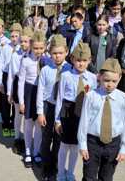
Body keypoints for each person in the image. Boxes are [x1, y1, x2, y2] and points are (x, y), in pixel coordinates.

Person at [78, 58, 125, 181]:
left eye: (114, 81)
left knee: (107, 177)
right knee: (89, 176)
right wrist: (83, 144)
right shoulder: (91, 96)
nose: (110, 84)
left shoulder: (124, 99)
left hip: (113, 144)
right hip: (93, 142)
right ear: (100, 77)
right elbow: (84, 121)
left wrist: (124, 148)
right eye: (106, 80)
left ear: (119, 78)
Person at [55, 41, 97, 181]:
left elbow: (93, 100)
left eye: (84, 60)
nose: (81, 64)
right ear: (72, 59)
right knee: (64, 145)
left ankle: (70, 173)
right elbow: (60, 99)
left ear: (89, 60)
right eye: (78, 60)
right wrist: (57, 120)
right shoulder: (66, 75)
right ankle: (60, 173)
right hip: (67, 112)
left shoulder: (92, 78)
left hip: (83, 114)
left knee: (75, 146)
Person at [37, 34, 71, 180]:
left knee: (59, 140)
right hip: (48, 106)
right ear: (49, 53)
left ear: (66, 52)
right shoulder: (45, 69)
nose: (57, 56)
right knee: (46, 138)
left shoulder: (70, 69)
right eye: (54, 53)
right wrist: (40, 112)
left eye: (60, 53)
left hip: (62, 110)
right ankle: (46, 167)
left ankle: (56, 166)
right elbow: (40, 92)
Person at [18, 31, 47, 168]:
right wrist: (22, 102)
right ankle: (28, 151)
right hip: (29, 93)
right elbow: (20, 82)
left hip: (41, 95)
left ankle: (37, 152)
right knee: (28, 124)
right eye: (36, 48)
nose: (38, 51)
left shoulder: (47, 61)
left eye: (41, 48)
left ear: (45, 47)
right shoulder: (25, 60)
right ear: (31, 46)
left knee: (39, 125)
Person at [7, 27, 33, 154]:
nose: (23, 44)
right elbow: (11, 75)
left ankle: (29, 141)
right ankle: (17, 139)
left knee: (29, 117)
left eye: (26, 41)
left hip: (31, 87)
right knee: (18, 114)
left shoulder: (35, 56)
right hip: (18, 85)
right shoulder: (15, 56)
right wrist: (9, 92)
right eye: (21, 41)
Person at [0, 23, 22, 137]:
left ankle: (13, 124)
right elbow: (1, 65)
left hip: (17, 78)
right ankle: (6, 125)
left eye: (16, 36)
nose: (14, 38)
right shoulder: (5, 47)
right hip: (6, 76)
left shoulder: (21, 49)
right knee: (5, 103)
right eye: (12, 36)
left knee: (15, 103)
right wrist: (0, 82)